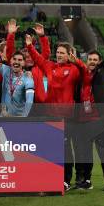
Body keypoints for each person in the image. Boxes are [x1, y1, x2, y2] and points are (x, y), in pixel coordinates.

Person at [26, 33, 81, 191]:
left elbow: (83, 71)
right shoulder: (50, 67)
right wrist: (30, 45)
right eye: (57, 53)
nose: (58, 55)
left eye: (62, 53)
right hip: (50, 115)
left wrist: (75, 60)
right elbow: (38, 59)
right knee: (51, 148)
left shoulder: (74, 70)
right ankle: (52, 176)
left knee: (65, 149)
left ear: (69, 55)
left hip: (66, 117)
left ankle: (66, 180)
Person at [71, 28, 104, 191]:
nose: (91, 61)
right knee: (87, 153)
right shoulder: (82, 76)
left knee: (102, 151)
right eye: (89, 59)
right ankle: (88, 181)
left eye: (95, 59)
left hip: (100, 120)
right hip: (84, 120)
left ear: (99, 62)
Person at [0, 51, 35, 117]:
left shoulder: (28, 79)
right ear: (11, 61)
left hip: (17, 118)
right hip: (3, 115)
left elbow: (29, 101)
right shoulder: (5, 70)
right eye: (14, 59)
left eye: (20, 60)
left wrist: (23, 117)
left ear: (23, 63)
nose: (16, 62)